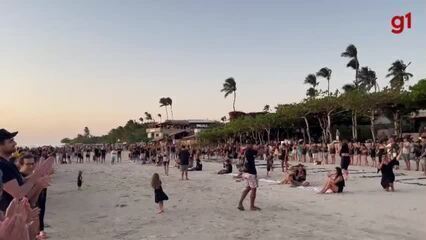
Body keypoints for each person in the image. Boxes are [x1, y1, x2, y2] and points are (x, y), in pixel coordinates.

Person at [0, 129, 53, 212]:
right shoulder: (2, 165)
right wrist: (36, 175)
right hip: (10, 217)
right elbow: (18, 194)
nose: (15, 143)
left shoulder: (8, 164)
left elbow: (23, 182)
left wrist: (39, 178)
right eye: (10, 141)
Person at [238, 144, 260, 211]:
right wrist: (258, 148)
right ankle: (252, 206)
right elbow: (258, 152)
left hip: (246, 172)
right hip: (251, 173)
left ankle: (240, 203)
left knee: (248, 188)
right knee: (253, 189)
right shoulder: (250, 151)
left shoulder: (246, 151)